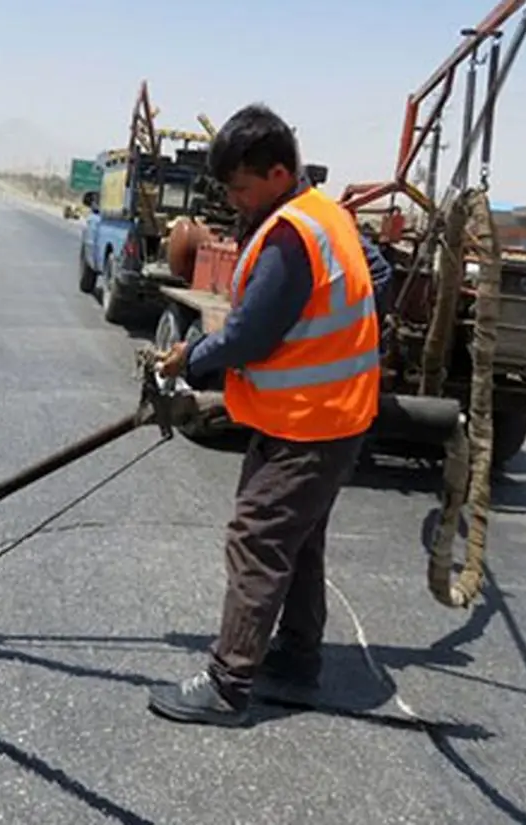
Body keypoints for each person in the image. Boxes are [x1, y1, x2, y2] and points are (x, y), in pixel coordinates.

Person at [149, 103, 393, 727]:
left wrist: (191, 359)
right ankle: (295, 658)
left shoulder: (291, 232)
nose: (235, 200)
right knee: (300, 542)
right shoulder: (324, 215)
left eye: (241, 187)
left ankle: (229, 684)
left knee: (257, 540)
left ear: (280, 172)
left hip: (307, 424)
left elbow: (250, 336)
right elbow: (381, 274)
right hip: (329, 417)